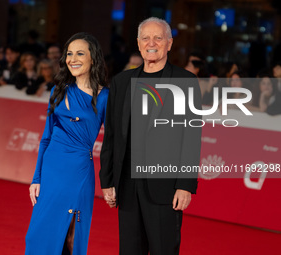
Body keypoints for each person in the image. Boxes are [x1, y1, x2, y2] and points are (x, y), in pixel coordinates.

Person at [100, 17, 201, 255]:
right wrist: (108, 180)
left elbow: (191, 138)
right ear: (138, 43)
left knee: (163, 249)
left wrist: (185, 185)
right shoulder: (121, 82)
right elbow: (111, 135)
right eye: (145, 38)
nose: (151, 43)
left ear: (169, 43)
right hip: (126, 185)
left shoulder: (185, 81)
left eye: (158, 37)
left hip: (165, 188)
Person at [25, 32, 109, 255]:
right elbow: (46, 138)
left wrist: (111, 180)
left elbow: (113, 142)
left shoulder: (105, 97)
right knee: (35, 237)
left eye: (80, 53)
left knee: (70, 240)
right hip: (52, 171)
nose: (73, 58)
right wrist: (37, 178)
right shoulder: (58, 91)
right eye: (69, 54)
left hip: (78, 173)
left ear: (94, 58)